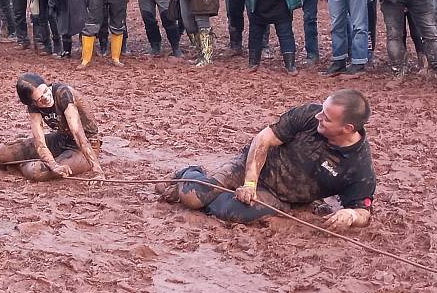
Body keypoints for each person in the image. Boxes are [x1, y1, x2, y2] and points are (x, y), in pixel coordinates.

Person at [156, 89, 376, 229]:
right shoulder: (309, 114)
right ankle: (189, 173)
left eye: (326, 118)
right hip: (251, 166)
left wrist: (351, 215)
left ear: (347, 128)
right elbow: (263, 139)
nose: (319, 116)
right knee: (193, 198)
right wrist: (250, 182)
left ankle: (216, 195)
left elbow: (363, 211)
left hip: (279, 196)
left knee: (230, 213)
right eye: (322, 110)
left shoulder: (358, 167)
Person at [0, 73, 104, 181]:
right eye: (40, 99)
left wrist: (97, 171)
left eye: (46, 91)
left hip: (85, 146)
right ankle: (25, 164)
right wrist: (53, 164)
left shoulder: (62, 93)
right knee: (0, 154)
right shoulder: (33, 106)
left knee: (36, 172)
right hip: (61, 139)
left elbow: (79, 136)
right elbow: (40, 142)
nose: (46, 97)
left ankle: (21, 166)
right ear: (33, 103)